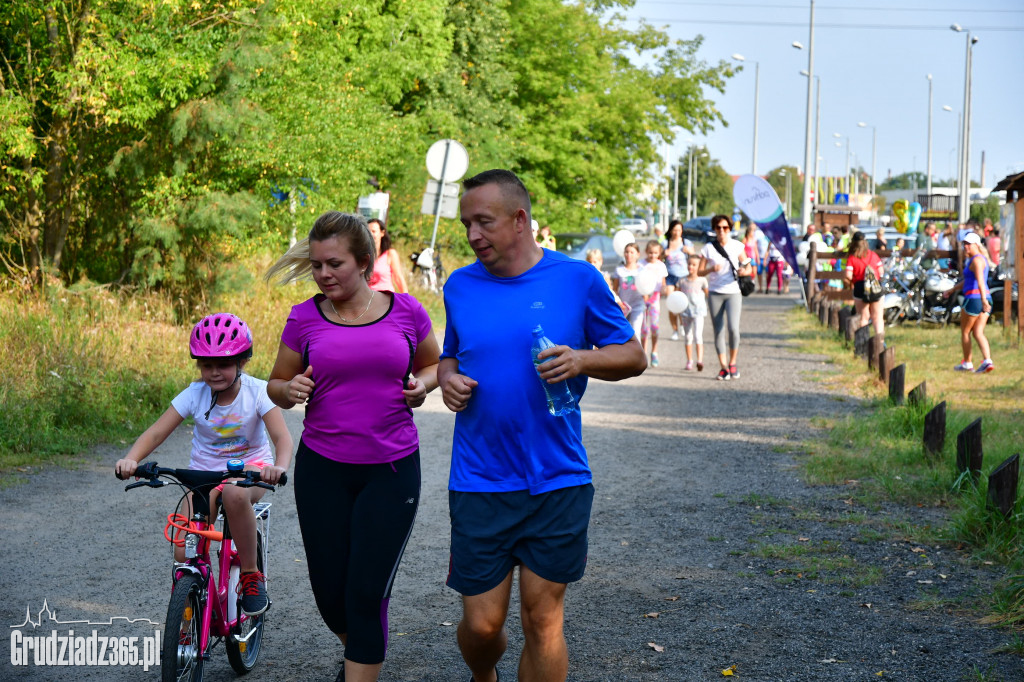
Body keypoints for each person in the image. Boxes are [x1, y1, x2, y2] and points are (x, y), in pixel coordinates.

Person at [439, 169, 646, 682]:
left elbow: (634, 355)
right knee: (483, 627)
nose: (472, 235)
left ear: (520, 219)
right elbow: (448, 357)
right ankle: (483, 673)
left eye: (483, 222)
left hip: (557, 477)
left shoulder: (577, 279)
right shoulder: (460, 285)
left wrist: (581, 360)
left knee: (542, 618)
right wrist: (447, 380)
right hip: (480, 480)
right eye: (466, 224)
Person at [264, 211, 441, 682]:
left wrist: (421, 387)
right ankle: (360, 652)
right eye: (317, 265)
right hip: (323, 470)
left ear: (364, 261)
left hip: (392, 469)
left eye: (334, 264)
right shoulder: (304, 317)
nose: (323, 274)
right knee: (330, 595)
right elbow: (275, 384)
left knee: (366, 593)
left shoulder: (407, 311)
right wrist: (290, 390)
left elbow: (434, 366)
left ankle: (359, 665)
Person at [114, 313, 293, 617]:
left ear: (242, 362)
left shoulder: (257, 392)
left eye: (222, 364)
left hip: (249, 469)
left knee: (234, 495)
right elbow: (157, 431)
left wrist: (279, 467)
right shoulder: (194, 394)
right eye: (206, 365)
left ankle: (251, 575)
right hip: (204, 475)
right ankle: (187, 611)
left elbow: (282, 437)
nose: (214, 373)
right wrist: (132, 459)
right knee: (183, 544)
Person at [698, 214, 753, 381]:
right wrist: (710, 269)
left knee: (733, 329)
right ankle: (723, 367)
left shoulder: (737, 246)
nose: (722, 231)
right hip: (715, 292)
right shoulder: (708, 248)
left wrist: (745, 271)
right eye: (718, 228)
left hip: (733, 292)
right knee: (718, 331)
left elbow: (748, 267)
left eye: (725, 228)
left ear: (730, 229)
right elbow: (699, 272)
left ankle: (733, 363)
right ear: (714, 230)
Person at [950, 232, 994, 373]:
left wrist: (982, 300)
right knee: (978, 332)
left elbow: (980, 281)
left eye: (969, 244)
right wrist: (952, 290)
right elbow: (967, 281)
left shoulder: (976, 260)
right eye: (964, 244)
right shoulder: (978, 260)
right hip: (985, 298)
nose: (965, 247)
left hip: (975, 299)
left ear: (977, 245)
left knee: (965, 331)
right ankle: (987, 361)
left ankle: (967, 363)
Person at [843, 232, 885, 341]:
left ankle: (863, 342)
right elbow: (881, 272)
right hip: (875, 287)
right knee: (877, 318)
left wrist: (851, 281)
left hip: (860, 287)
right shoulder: (873, 255)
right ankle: (880, 341)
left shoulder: (852, 258)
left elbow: (848, 275)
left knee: (863, 317)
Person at [661, 219, 694, 340]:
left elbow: (694, 259)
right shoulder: (665, 243)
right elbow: (658, 258)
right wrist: (664, 254)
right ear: (670, 230)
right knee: (671, 304)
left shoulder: (687, 243)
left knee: (683, 304)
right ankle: (674, 330)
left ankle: (682, 325)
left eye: (679, 230)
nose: (677, 232)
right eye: (674, 230)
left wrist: (690, 252)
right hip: (670, 276)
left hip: (683, 276)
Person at [640, 240, 669, 367]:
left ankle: (654, 351)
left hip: (655, 298)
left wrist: (664, 289)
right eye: (650, 252)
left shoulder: (661, 266)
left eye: (655, 253)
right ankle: (643, 352)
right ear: (646, 252)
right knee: (643, 329)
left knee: (654, 327)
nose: (652, 255)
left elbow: (663, 283)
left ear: (659, 253)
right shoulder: (641, 264)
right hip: (642, 298)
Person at [678, 256, 708, 371]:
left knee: (697, 335)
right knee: (688, 336)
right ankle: (689, 360)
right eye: (689, 264)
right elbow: (678, 297)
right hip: (685, 313)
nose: (691, 267)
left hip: (698, 312)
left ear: (698, 266)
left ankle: (699, 360)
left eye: (694, 265)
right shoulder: (682, 281)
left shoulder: (702, 280)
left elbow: (707, 294)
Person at [612, 241, 645, 340]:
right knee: (623, 334)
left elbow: (646, 289)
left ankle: (637, 355)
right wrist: (617, 303)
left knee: (636, 333)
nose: (629, 255)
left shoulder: (642, 270)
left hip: (638, 306)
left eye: (632, 252)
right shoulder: (619, 270)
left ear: (638, 254)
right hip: (623, 307)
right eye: (627, 252)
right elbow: (615, 290)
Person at [366, 218, 409, 294]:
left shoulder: (390, 254)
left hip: (386, 298)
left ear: (382, 233)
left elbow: (398, 277)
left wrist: (406, 298)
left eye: (373, 231)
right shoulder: (362, 255)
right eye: (368, 231)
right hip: (368, 298)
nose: (370, 234)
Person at [586, 248, 630, 315]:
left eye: (594, 262)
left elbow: (610, 291)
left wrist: (618, 301)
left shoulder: (604, 276)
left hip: (601, 305)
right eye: (590, 262)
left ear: (600, 261)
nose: (592, 264)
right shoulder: (586, 276)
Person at [742, 225, 762, 294]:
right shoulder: (745, 239)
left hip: (753, 258)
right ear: (749, 232)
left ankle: (752, 281)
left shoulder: (754, 240)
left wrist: (758, 258)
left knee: (754, 272)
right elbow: (742, 249)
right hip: (747, 259)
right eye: (752, 232)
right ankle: (749, 283)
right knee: (749, 272)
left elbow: (756, 249)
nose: (753, 233)